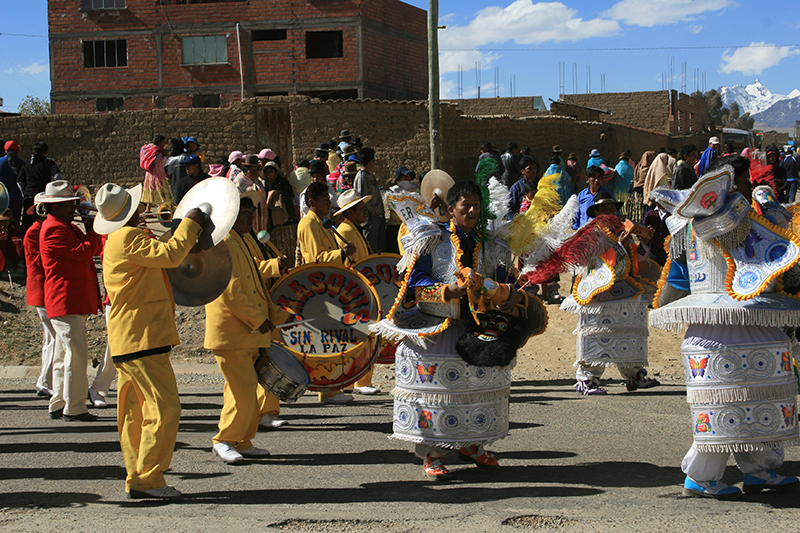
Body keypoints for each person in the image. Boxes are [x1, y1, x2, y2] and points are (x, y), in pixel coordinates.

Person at [651, 155, 800, 498]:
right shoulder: (755, 219)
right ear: (741, 182)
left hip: (718, 328)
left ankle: (761, 471)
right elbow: (787, 267)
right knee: (721, 407)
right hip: (737, 326)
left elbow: (675, 283)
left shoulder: (686, 229)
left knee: (752, 403)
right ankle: (702, 478)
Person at [372, 179, 541, 479]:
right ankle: (432, 453)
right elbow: (413, 283)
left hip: (481, 326)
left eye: (477, 205)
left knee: (479, 388)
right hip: (439, 327)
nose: (473, 210)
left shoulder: (494, 244)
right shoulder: (432, 240)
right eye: (466, 206)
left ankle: (472, 444)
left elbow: (505, 277)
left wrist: (509, 294)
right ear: (452, 210)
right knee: (439, 391)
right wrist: (446, 292)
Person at [95, 181, 205, 499]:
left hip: (128, 338)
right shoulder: (128, 236)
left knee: (135, 413)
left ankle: (138, 474)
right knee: (164, 408)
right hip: (143, 336)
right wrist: (191, 223)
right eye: (138, 209)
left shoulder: (117, 239)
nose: (144, 212)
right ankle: (148, 478)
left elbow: (160, 256)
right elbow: (171, 256)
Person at [205, 190, 288, 464]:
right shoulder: (224, 243)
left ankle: (243, 439)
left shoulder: (240, 241)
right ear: (230, 216)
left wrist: (277, 315)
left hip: (247, 334)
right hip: (232, 333)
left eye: (252, 213)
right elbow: (232, 291)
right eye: (244, 213)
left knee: (244, 389)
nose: (251, 217)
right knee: (243, 390)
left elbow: (255, 282)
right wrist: (257, 319)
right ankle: (224, 439)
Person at [560, 191, 660, 395]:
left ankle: (634, 374)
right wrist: (619, 248)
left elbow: (635, 260)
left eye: (613, 208)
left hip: (624, 289)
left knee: (629, 331)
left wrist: (645, 241)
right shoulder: (590, 233)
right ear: (596, 212)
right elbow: (591, 263)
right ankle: (587, 378)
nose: (611, 212)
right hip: (597, 292)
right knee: (598, 333)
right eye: (605, 209)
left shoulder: (621, 231)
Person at [38, 180, 103, 422]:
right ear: (55, 207)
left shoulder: (62, 225)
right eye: (68, 205)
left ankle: (59, 401)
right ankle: (75, 407)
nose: (74, 209)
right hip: (66, 298)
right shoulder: (55, 228)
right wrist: (93, 229)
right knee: (76, 354)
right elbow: (84, 252)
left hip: (68, 298)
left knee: (63, 353)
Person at [333, 190, 380, 396]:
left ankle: (360, 379)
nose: (365, 212)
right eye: (361, 209)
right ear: (350, 212)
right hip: (355, 290)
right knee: (357, 336)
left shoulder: (354, 229)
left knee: (364, 335)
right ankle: (354, 380)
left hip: (361, 288)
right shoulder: (347, 231)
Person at [23, 203, 54, 397]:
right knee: (54, 337)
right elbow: (41, 261)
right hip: (42, 289)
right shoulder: (34, 232)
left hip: (44, 289)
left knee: (50, 338)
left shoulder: (40, 229)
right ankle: (46, 381)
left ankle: (45, 379)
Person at [17, 141, 63, 232]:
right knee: (44, 222)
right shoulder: (48, 162)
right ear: (45, 152)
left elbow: (20, 181)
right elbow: (58, 177)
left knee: (27, 224)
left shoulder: (27, 163)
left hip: (29, 197)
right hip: (43, 198)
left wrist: (25, 192)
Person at [353, 147, 386, 253]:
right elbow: (363, 197)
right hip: (371, 217)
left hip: (378, 214)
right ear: (371, 161)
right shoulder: (362, 176)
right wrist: (373, 212)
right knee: (371, 244)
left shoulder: (371, 175)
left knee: (380, 244)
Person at [263, 160, 297, 257]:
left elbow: (289, 197)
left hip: (286, 222)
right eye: (266, 172)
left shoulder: (284, 184)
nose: (268, 174)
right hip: (273, 225)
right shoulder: (264, 186)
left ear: (276, 173)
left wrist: (276, 193)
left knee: (288, 247)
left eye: (271, 172)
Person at [140, 135, 172, 208]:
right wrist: (165, 175)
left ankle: (148, 209)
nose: (165, 143)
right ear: (159, 142)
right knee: (162, 192)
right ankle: (164, 208)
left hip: (149, 175)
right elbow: (159, 165)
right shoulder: (157, 152)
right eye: (164, 142)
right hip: (158, 175)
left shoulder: (150, 149)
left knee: (151, 192)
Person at [0, 140, 24, 223]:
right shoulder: (21, 163)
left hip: (1, 196)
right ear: (17, 151)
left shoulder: (0, 161)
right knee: (15, 223)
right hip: (15, 195)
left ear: (5, 150)